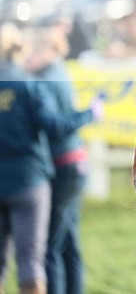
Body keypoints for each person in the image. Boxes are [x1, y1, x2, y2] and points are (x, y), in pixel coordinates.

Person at [0, 24, 95, 294]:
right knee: (39, 255)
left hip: (30, 172)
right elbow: (53, 124)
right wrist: (89, 113)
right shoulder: (32, 83)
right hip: (31, 179)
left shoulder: (43, 77)